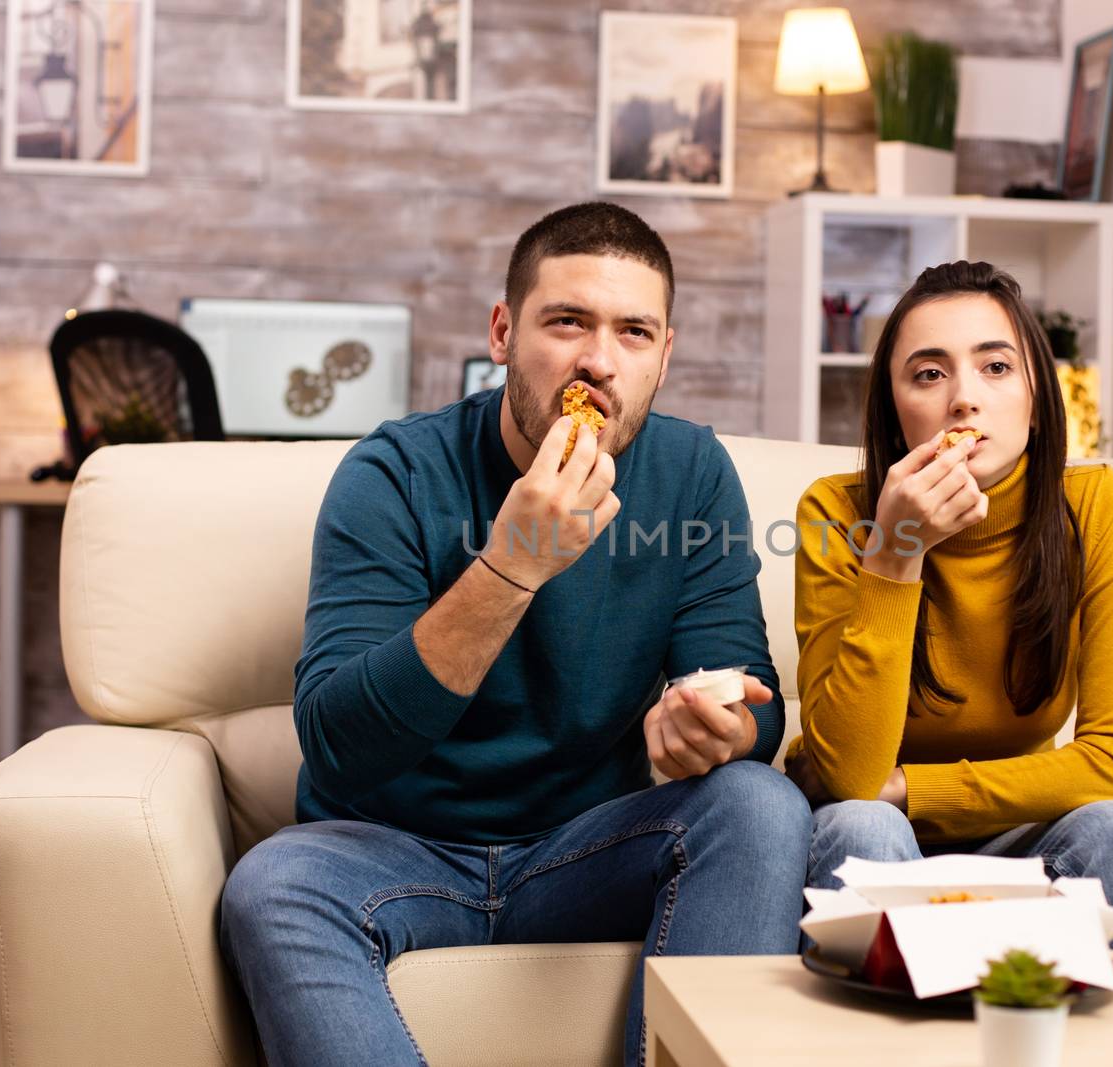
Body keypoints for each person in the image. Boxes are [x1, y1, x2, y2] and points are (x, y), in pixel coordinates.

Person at [219, 202, 811, 1066]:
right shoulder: (392, 474)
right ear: (503, 332)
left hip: (589, 846)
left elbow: (751, 698)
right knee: (272, 885)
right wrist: (510, 567)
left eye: (634, 332)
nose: (597, 361)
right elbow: (338, 745)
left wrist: (718, 726)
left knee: (761, 804)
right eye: (567, 321)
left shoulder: (690, 472)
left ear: (664, 356)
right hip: (393, 848)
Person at [786, 260, 1113, 948]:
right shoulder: (833, 511)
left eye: (995, 367)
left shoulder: (1100, 507)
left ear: (1035, 390)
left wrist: (910, 786)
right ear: (894, 405)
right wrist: (896, 551)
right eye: (930, 373)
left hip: (1019, 838)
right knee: (863, 823)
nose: (964, 399)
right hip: (877, 834)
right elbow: (849, 778)